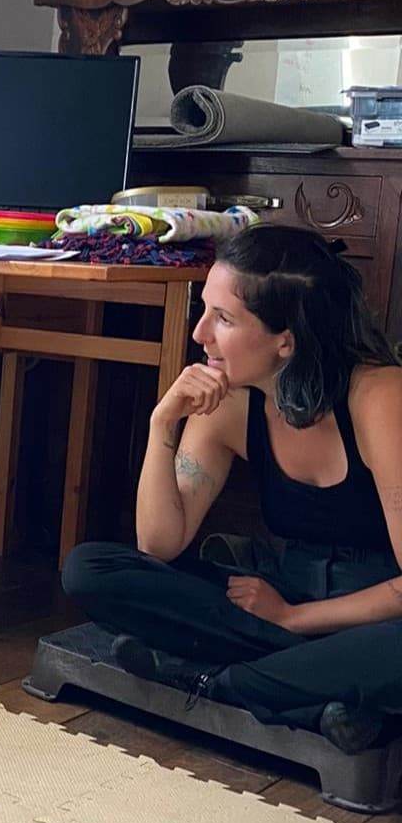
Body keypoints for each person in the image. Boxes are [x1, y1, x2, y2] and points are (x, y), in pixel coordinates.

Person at [62, 224, 402, 754]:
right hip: (278, 598)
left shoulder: (378, 396)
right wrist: (161, 426)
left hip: (374, 617)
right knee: (91, 568)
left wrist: (295, 618)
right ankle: (319, 695)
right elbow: (159, 544)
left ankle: (216, 683)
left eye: (223, 319)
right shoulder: (229, 406)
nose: (200, 334)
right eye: (205, 310)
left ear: (285, 339)